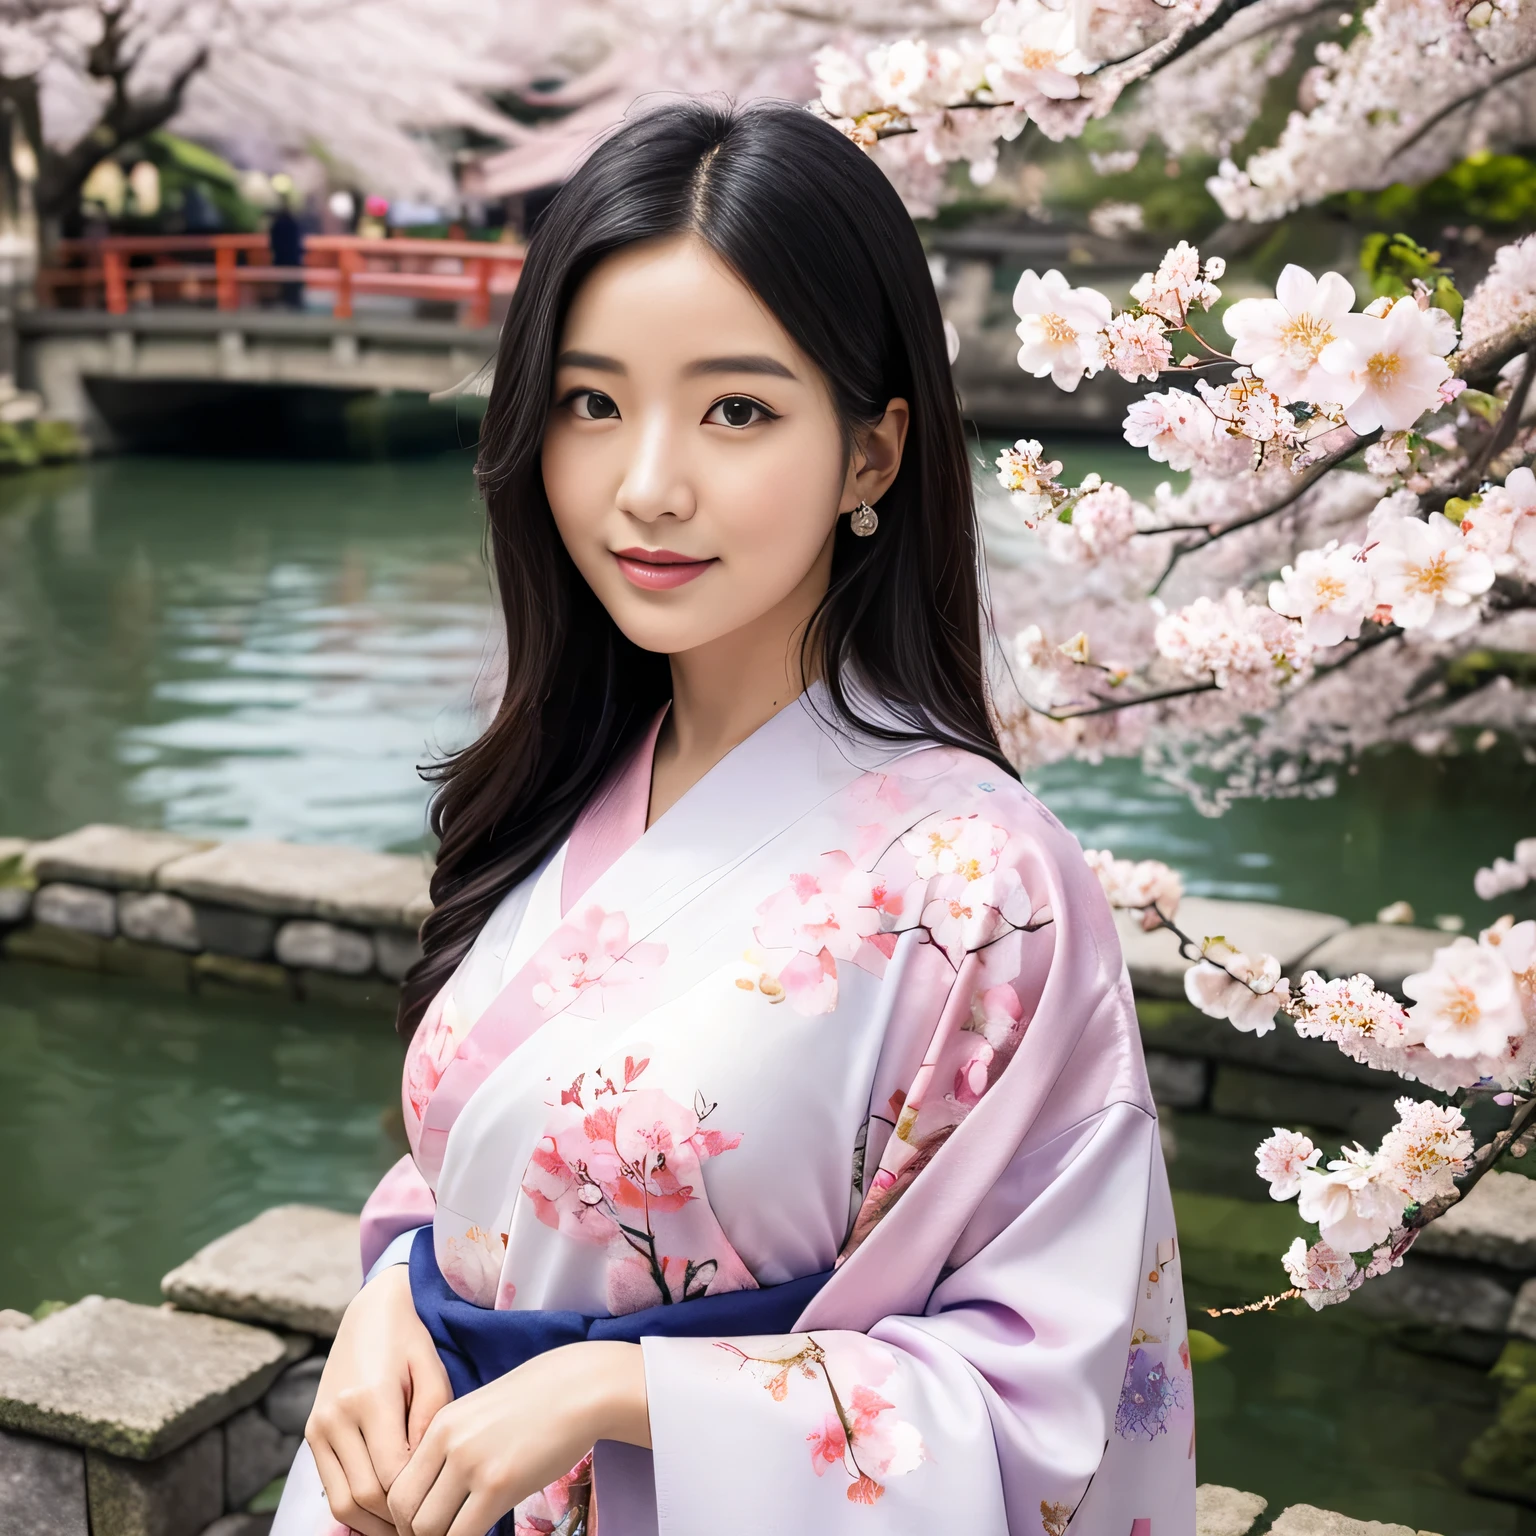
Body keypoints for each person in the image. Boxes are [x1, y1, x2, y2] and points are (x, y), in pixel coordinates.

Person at [271, 99, 1193, 1536]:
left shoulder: (981, 884)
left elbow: (1045, 1393)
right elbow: (487, 1158)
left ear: (874, 454)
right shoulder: (567, 776)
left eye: (738, 409)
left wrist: (616, 1396)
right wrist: (389, 1293)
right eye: (592, 403)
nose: (647, 484)